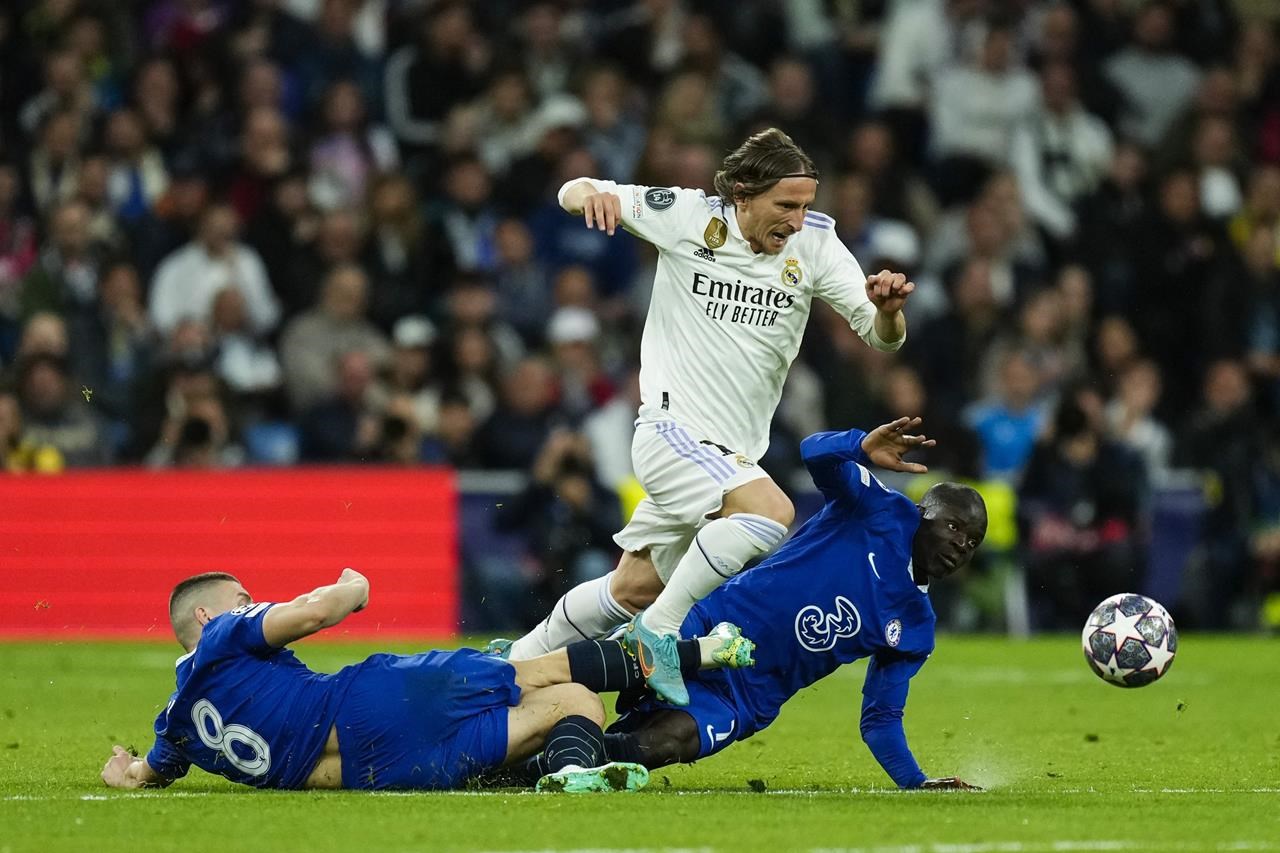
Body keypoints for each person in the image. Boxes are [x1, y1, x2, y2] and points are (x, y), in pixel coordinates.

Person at [500, 127, 916, 710]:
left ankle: (513, 666)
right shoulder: (690, 216)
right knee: (772, 513)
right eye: (786, 206)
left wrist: (888, 310)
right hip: (671, 432)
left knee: (632, 587)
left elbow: (881, 337)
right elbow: (576, 189)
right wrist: (589, 192)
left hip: (731, 454)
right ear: (743, 194)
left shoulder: (816, 243)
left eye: (805, 206)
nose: (797, 220)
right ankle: (659, 634)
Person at [100, 569, 755, 795]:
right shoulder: (223, 633)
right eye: (244, 597)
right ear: (209, 615)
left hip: (376, 773)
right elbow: (320, 609)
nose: (253, 603)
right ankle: (701, 652)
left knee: (571, 704)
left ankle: (572, 771)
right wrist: (353, 584)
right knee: (542, 668)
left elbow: (144, 773)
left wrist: (122, 769)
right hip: (366, 701)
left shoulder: (176, 722)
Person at [599, 418, 987, 790]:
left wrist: (915, 781)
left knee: (660, 744)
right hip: (711, 622)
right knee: (604, 671)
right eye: (953, 527)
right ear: (922, 515)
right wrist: (860, 445)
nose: (960, 546)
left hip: (744, 696)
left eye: (972, 542)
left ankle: (563, 758)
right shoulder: (878, 507)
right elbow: (814, 452)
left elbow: (880, 720)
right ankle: (541, 693)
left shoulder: (916, 627)